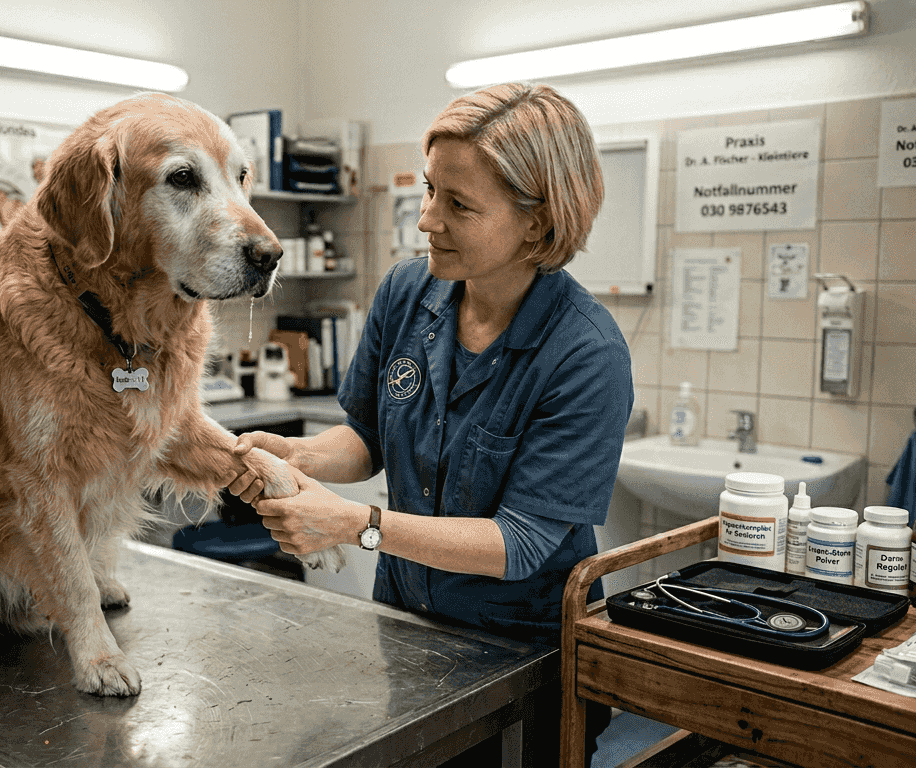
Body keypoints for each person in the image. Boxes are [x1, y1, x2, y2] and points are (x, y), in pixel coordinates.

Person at [231, 82, 633, 762]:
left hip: (523, 654)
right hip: (410, 629)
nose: (425, 220)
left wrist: (358, 526)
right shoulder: (407, 292)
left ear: (537, 222)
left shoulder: (586, 354)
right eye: (428, 190)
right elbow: (364, 435)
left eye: (459, 205)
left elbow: (521, 542)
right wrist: (298, 458)